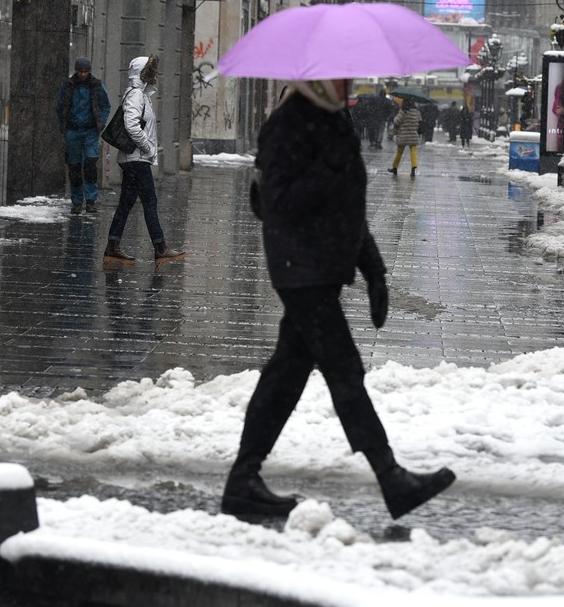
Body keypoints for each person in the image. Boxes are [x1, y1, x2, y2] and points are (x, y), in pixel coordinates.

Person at [221, 78, 456, 519]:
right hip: (299, 268)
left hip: (322, 268)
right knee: (344, 369)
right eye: (337, 78)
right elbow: (276, 203)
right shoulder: (286, 125)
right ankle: (391, 478)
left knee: (286, 376)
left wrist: (375, 270)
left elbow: (347, 207)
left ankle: (242, 481)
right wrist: (326, 170)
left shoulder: (332, 121)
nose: (344, 84)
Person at [103, 55, 186, 264]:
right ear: (143, 74)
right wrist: (148, 148)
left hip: (135, 158)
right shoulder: (136, 96)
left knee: (127, 202)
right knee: (150, 201)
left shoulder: (142, 95)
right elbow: (131, 125)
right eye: (152, 72)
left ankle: (113, 245)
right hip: (136, 159)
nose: (156, 76)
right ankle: (160, 247)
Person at [55, 56, 111, 215]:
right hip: (73, 131)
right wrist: (64, 127)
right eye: (80, 71)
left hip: (90, 131)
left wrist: (101, 123)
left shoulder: (97, 86)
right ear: (77, 71)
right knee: (74, 167)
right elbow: (59, 106)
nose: (83, 74)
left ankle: (91, 200)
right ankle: (78, 202)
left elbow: (106, 105)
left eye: (85, 71)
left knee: (90, 164)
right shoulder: (68, 85)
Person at [388, 98, 421, 176]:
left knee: (399, 152)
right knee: (413, 152)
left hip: (403, 134)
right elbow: (419, 122)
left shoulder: (403, 111)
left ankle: (395, 168)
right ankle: (413, 169)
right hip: (413, 134)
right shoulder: (417, 112)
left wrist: (394, 118)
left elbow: (397, 121)